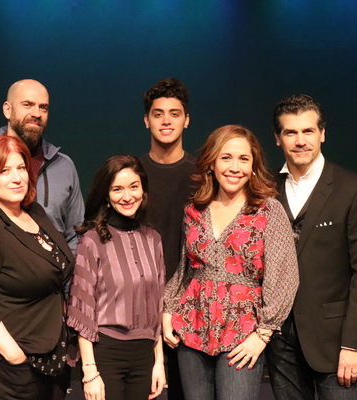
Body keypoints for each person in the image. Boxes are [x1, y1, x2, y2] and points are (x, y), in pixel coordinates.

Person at [163, 125, 299, 400]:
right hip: (192, 327)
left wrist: (262, 335)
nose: (234, 167)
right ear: (211, 163)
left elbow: (286, 276)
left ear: (253, 165)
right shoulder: (194, 210)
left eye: (243, 159)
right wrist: (168, 309)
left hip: (242, 334)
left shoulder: (268, 209)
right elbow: (186, 269)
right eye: (226, 158)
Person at [265, 94, 357, 400]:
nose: (300, 140)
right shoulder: (265, 190)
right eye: (291, 132)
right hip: (280, 343)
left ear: (322, 134)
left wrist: (355, 345)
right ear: (278, 138)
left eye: (308, 131)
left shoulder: (355, 189)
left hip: (335, 343)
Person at [0, 135, 75, 400]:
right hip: (0, 368)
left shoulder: (35, 213)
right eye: (4, 171)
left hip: (46, 359)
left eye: (20, 168)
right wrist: (14, 355)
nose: (17, 178)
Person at [67, 155, 166, 400]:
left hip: (144, 354)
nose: (127, 196)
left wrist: (159, 362)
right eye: (117, 189)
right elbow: (82, 311)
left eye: (134, 187)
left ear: (143, 190)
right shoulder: (92, 241)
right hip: (106, 352)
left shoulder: (153, 239)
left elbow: (158, 306)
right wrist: (90, 371)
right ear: (107, 196)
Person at [0, 79, 84, 251]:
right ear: (8, 109)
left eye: (43, 107)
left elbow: (76, 235)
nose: (37, 113)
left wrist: (68, 277)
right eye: (27, 105)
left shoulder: (63, 166)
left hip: (57, 275)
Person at [139, 77, 197, 400]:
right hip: (139, 307)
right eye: (158, 113)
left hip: (190, 308)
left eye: (174, 113)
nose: (166, 120)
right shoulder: (132, 176)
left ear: (186, 120)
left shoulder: (204, 175)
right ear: (146, 119)